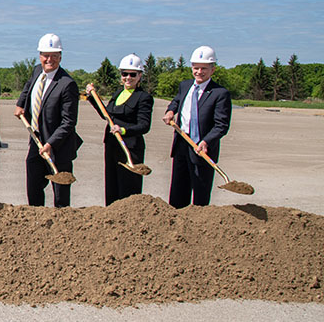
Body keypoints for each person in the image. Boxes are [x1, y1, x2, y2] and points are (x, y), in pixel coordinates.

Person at [14, 33, 82, 207]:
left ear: (60, 56)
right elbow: (28, 86)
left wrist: (51, 144)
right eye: (45, 55)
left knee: (60, 196)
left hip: (58, 147)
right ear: (40, 56)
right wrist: (21, 104)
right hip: (36, 141)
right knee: (33, 190)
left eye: (53, 56)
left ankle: (62, 228)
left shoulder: (67, 84)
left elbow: (68, 122)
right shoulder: (37, 70)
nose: (49, 59)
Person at [162, 45, 232, 208]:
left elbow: (221, 125)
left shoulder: (220, 94)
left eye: (204, 69)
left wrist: (206, 141)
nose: (199, 72)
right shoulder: (185, 86)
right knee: (178, 191)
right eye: (196, 68)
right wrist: (170, 111)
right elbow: (177, 101)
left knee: (200, 194)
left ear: (212, 70)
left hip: (202, 149)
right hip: (181, 145)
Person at [85, 53, 154, 205]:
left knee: (128, 188)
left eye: (132, 74)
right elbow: (107, 115)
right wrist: (92, 97)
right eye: (124, 74)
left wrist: (123, 130)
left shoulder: (144, 97)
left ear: (140, 75)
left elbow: (144, 126)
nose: (128, 78)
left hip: (130, 147)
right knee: (112, 185)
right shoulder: (118, 93)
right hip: (112, 145)